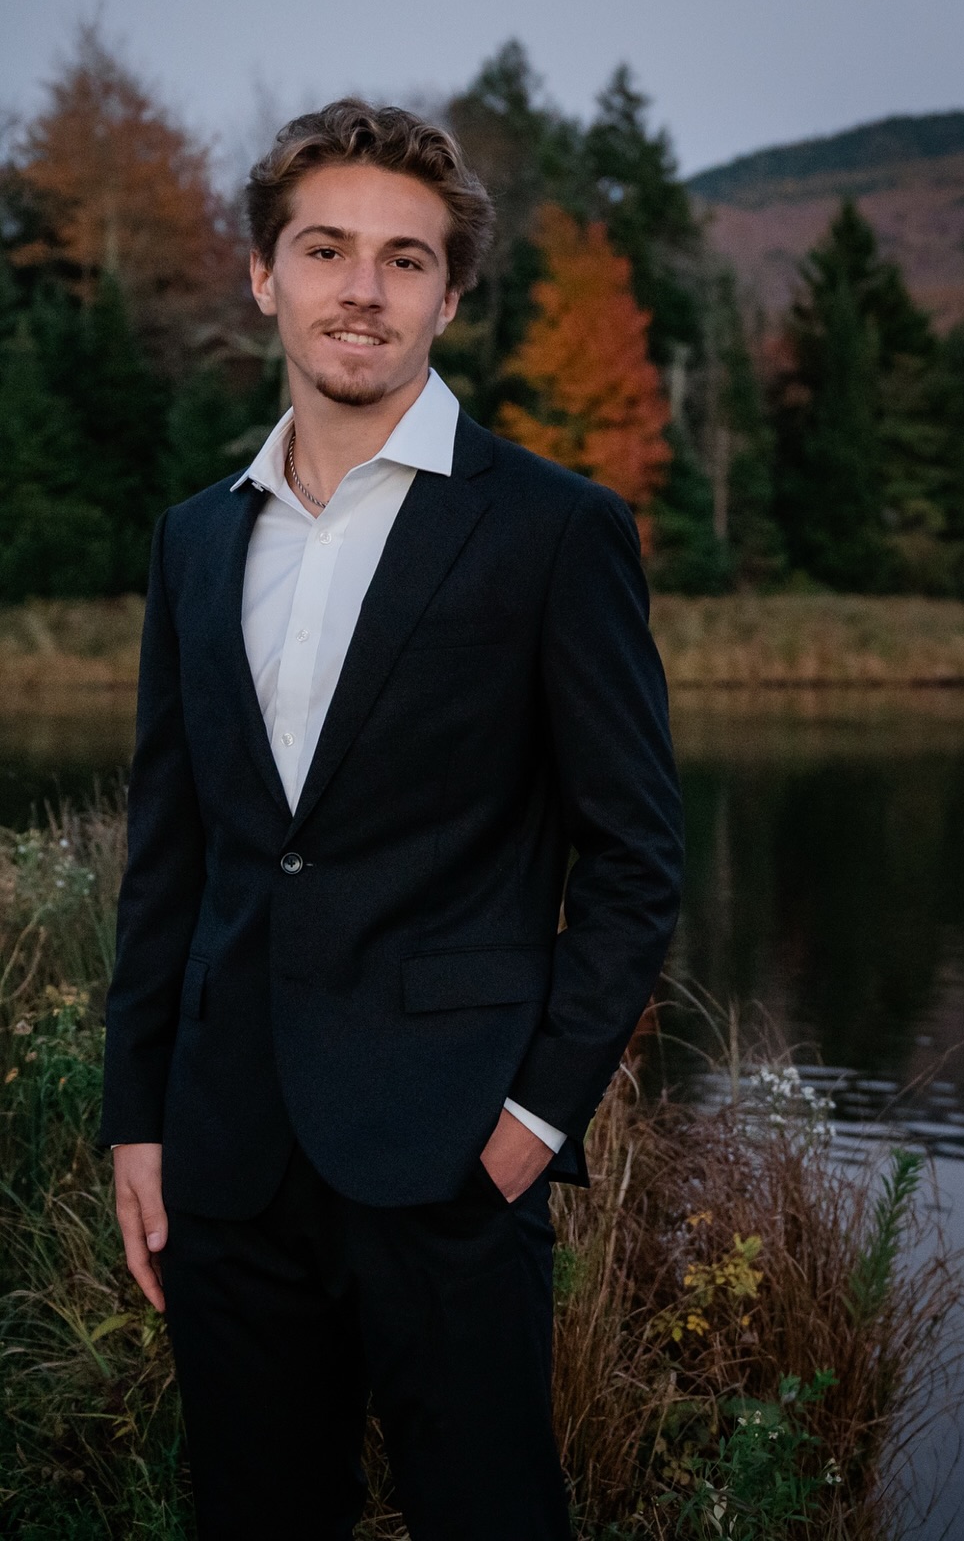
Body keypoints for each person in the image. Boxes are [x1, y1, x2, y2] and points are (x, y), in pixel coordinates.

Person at [99, 99, 685, 1540]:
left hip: (451, 1157)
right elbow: (170, 851)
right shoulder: (195, 537)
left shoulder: (553, 532)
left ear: (450, 295)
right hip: (227, 1158)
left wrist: (531, 1124)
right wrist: (137, 1119)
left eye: (405, 259)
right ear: (265, 276)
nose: (361, 288)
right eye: (325, 249)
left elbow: (633, 861)